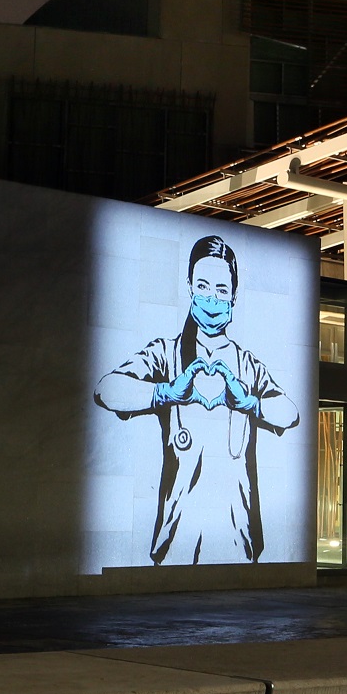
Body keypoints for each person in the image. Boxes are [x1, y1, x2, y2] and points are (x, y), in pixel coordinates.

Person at [94, 235, 298, 564]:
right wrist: (164, 393)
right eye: (202, 287)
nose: (212, 299)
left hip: (237, 539)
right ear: (189, 286)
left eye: (221, 290)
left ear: (234, 294)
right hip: (176, 538)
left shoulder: (247, 365)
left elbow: (289, 413)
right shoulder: (166, 353)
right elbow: (107, 389)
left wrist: (251, 403)